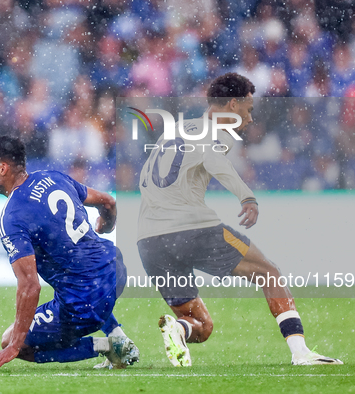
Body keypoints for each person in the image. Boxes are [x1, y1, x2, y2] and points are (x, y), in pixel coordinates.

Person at [137, 73, 343, 366]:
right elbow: (215, 161)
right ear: (232, 105)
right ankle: (301, 353)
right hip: (190, 229)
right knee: (269, 273)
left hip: (148, 241)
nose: (249, 119)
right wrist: (247, 196)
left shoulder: (175, 130)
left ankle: (178, 329)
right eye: (248, 110)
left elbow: (146, 180)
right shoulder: (218, 132)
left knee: (201, 326)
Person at [0, 136, 139, 371]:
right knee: (78, 277)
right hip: (116, 269)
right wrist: (107, 223)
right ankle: (116, 333)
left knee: (12, 340)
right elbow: (108, 202)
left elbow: (30, 287)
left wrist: (14, 345)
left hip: (85, 301)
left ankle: (108, 346)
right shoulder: (52, 177)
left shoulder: (11, 218)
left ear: (2, 168)